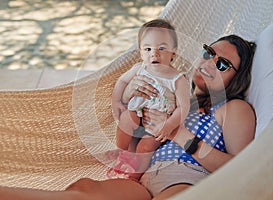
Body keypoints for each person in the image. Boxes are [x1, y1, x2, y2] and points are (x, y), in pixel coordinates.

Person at [0, 34, 256, 200]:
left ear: (238, 77)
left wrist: (178, 134)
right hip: (144, 179)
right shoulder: (176, 98)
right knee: (85, 191)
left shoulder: (233, 109)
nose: (210, 63)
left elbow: (244, 168)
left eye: (222, 64)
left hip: (186, 178)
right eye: (208, 53)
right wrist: (129, 111)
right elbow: (127, 143)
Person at [108, 19, 190, 180]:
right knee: (126, 118)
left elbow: (183, 107)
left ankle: (135, 176)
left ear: (173, 53)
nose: (154, 53)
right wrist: (116, 101)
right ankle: (121, 151)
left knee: (145, 147)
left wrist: (168, 125)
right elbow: (122, 82)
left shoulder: (178, 80)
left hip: (158, 123)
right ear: (140, 52)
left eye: (162, 48)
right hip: (137, 112)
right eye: (148, 49)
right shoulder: (140, 68)